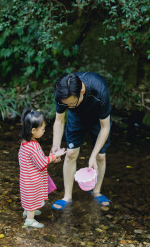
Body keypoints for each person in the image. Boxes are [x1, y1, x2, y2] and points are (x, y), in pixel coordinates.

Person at [51, 72, 112, 210]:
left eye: (71, 103)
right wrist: (55, 145)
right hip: (77, 118)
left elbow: (105, 127)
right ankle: (67, 197)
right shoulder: (62, 93)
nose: (69, 106)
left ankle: (96, 192)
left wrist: (93, 155)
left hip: (98, 119)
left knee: (100, 156)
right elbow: (59, 121)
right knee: (71, 153)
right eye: (66, 105)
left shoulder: (99, 90)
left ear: (82, 91)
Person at [19, 108, 66, 228]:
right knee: (32, 198)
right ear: (33, 130)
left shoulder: (24, 143)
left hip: (26, 178)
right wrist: (54, 156)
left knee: (28, 197)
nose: (44, 131)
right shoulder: (33, 146)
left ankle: (28, 211)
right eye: (43, 129)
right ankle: (30, 219)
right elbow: (41, 163)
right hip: (32, 180)